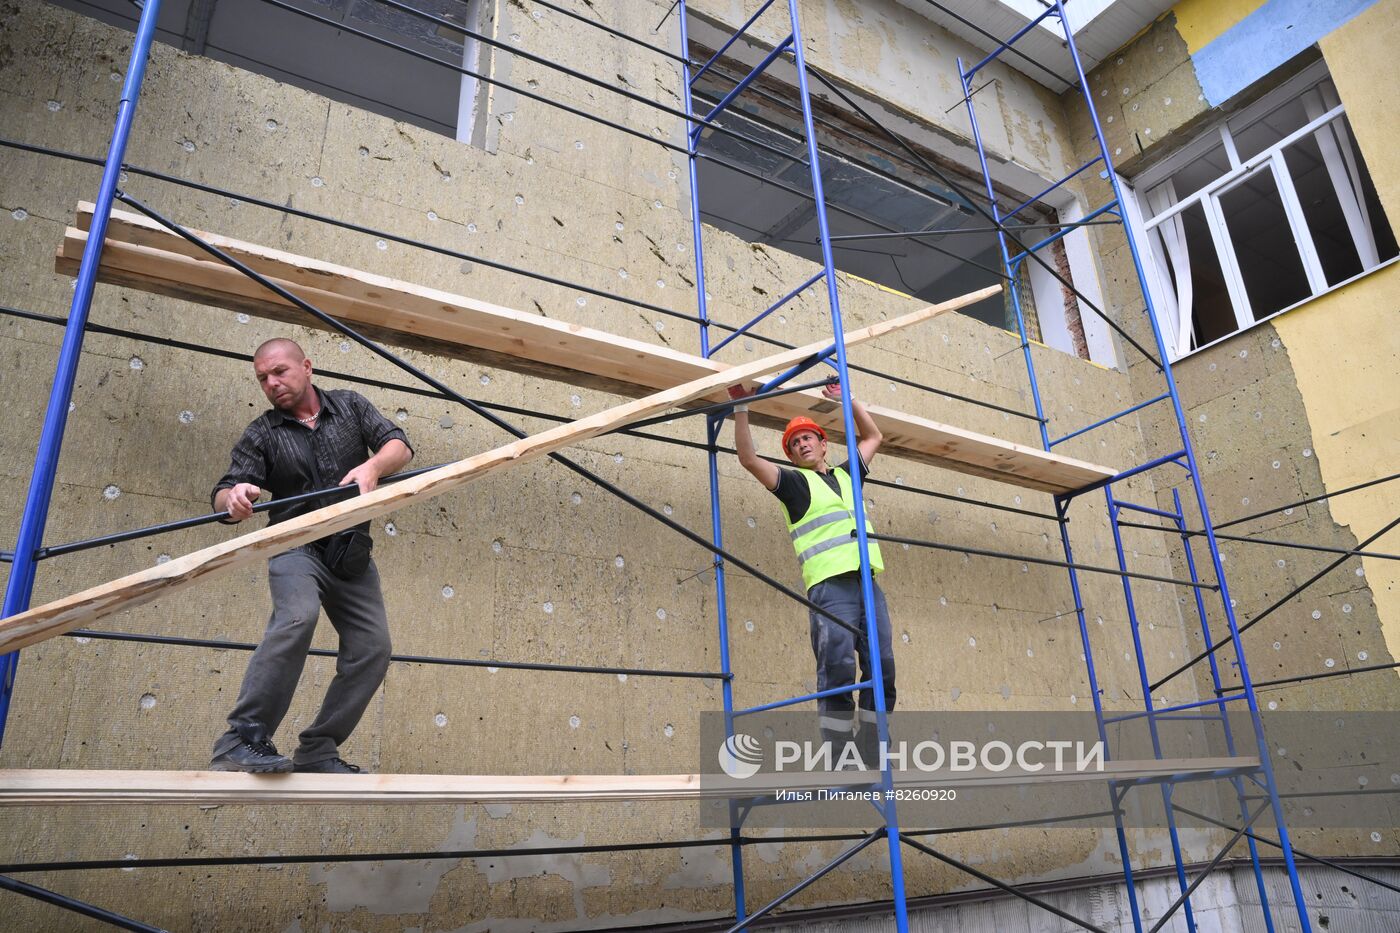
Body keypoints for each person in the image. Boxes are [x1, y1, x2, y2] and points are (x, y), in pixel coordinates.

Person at [208, 338, 413, 774]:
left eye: (280, 371)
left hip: (351, 554)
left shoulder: (351, 406)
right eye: (263, 378)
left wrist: (373, 467)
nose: (272, 383)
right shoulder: (262, 432)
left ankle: (318, 750)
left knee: (373, 648)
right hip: (293, 545)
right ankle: (241, 739)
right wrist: (236, 498)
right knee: (297, 617)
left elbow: (399, 446)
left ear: (307, 367)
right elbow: (224, 491)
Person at [730, 381, 895, 767]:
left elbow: (874, 435)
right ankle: (840, 755)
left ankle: (872, 750)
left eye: (808, 438)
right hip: (830, 589)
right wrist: (741, 408)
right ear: (791, 454)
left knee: (882, 670)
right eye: (794, 443)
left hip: (868, 584)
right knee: (837, 669)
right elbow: (749, 459)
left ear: (824, 445)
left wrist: (849, 398)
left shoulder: (848, 475)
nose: (801, 444)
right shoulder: (793, 484)